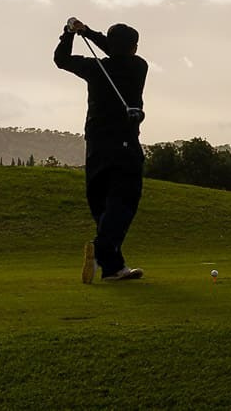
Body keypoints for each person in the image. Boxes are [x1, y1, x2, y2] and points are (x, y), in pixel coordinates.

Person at [55, 17, 148, 283]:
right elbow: (114, 50)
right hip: (124, 144)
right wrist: (88, 33)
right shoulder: (139, 66)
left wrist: (71, 33)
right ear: (134, 47)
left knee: (103, 205)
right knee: (124, 200)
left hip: (95, 145)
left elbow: (61, 59)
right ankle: (101, 248)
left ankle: (112, 268)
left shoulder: (95, 68)